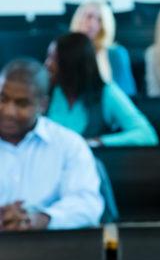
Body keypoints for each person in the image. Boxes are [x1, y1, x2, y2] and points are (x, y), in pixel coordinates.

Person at [0, 58, 104, 230]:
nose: (9, 111)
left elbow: (88, 204)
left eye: (22, 103)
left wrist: (39, 219)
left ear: (42, 105)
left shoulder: (68, 145)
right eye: (2, 99)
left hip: (48, 249)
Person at [45, 33, 159, 147]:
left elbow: (147, 135)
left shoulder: (107, 93)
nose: (47, 64)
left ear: (71, 63)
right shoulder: (47, 92)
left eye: (54, 59)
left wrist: (99, 142)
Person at [70, 1, 137, 97]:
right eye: (89, 17)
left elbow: (127, 93)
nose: (92, 24)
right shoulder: (68, 53)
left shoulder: (116, 54)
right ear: (78, 20)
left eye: (99, 20)